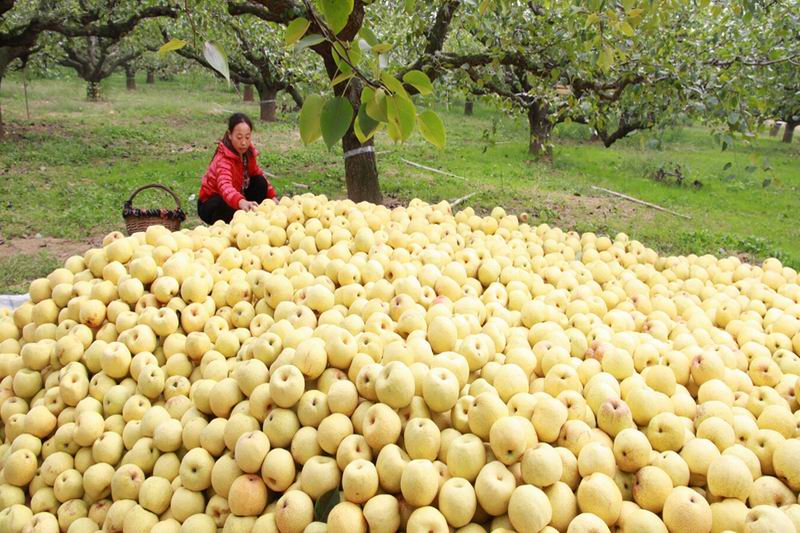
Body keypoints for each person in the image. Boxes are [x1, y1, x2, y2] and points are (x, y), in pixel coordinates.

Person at [197, 112, 277, 224]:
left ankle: (255, 218)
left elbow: (257, 172)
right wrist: (240, 201)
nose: (243, 143)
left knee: (260, 182)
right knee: (227, 204)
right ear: (230, 135)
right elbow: (225, 186)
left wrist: (272, 196)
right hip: (211, 203)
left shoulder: (248, 153)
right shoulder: (223, 159)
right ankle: (228, 226)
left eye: (247, 137)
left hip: (236, 194)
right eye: (239, 137)